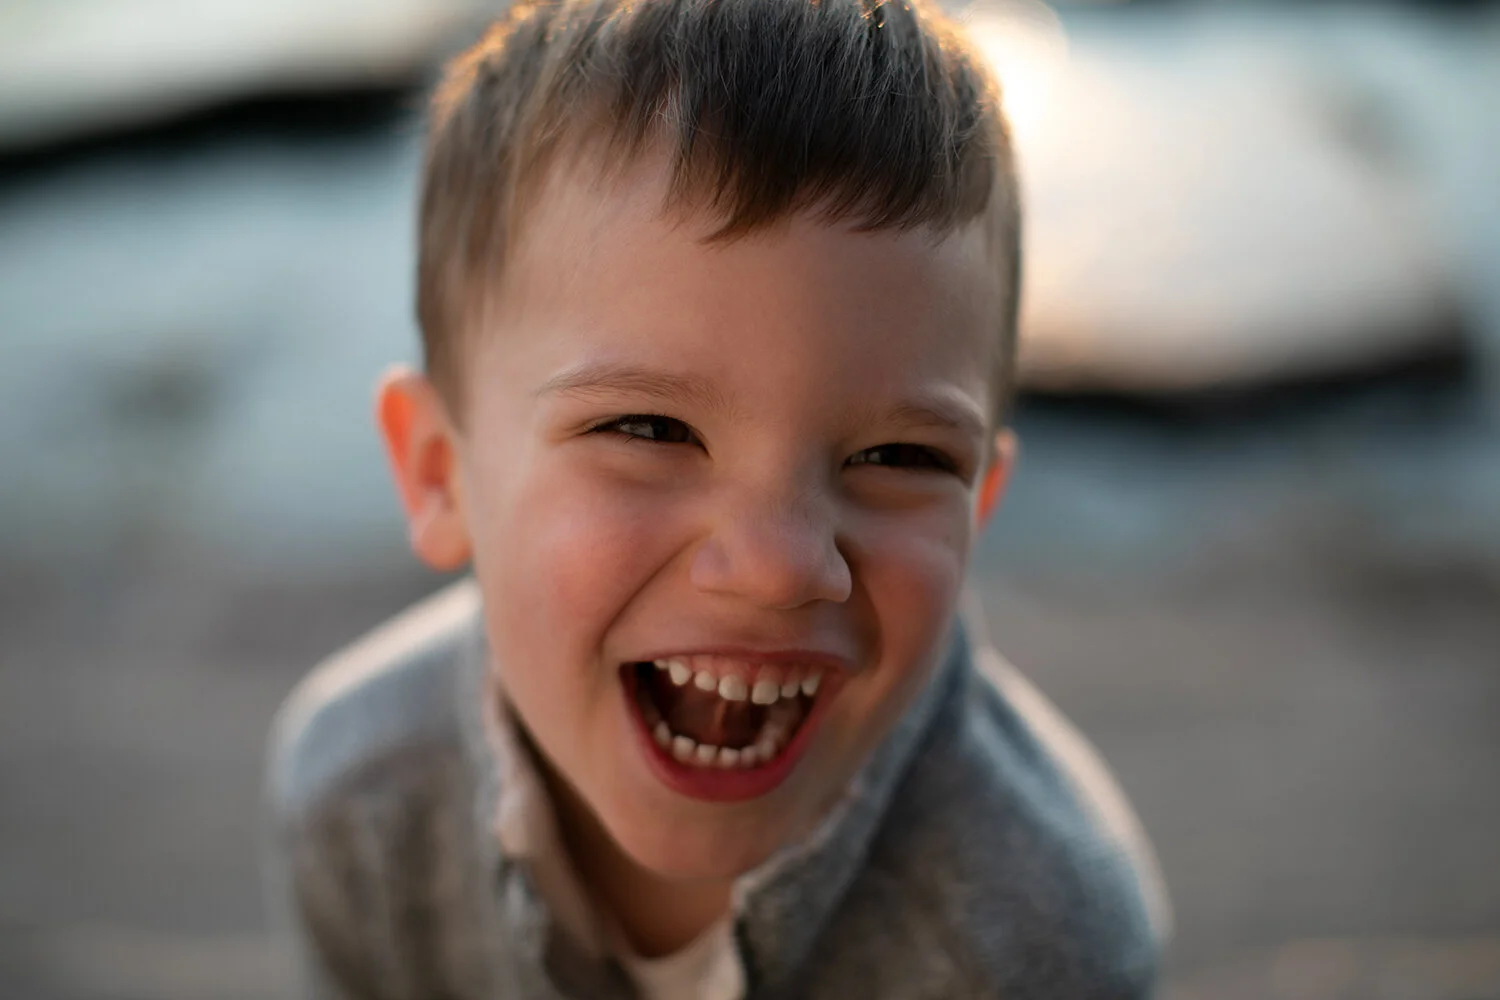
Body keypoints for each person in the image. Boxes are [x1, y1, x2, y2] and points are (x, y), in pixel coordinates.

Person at [264, 0, 1171, 996]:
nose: (783, 563)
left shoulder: (1037, 938)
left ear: (980, 507)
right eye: (649, 431)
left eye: (903, 455)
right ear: (438, 471)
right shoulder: (361, 800)